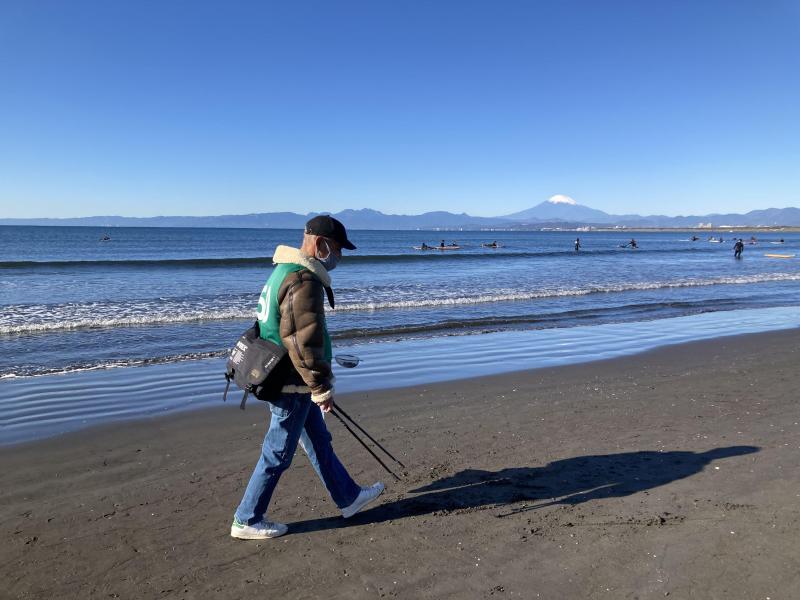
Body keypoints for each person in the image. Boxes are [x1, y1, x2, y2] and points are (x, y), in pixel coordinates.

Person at [231, 215, 384, 540]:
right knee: (277, 453)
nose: (339, 256)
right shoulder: (303, 279)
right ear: (320, 244)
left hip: (287, 379)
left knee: (318, 441)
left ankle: (349, 498)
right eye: (338, 248)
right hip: (291, 383)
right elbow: (303, 340)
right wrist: (320, 387)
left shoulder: (283, 271)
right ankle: (247, 518)